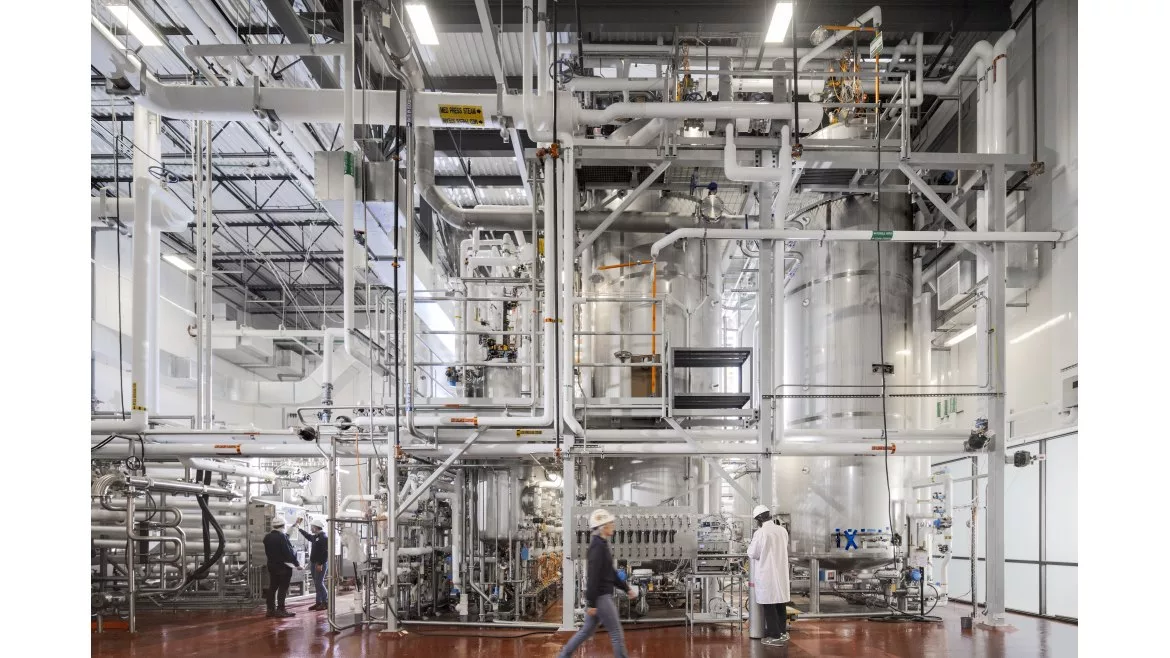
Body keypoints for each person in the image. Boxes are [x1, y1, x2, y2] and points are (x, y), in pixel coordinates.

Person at [558, 509, 639, 658]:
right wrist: (592, 603)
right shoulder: (597, 547)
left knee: (586, 631)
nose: (613, 525)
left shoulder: (602, 544)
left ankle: (563, 655)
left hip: (598, 597)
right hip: (601, 597)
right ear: (603, 526)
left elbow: (611, 573)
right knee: (616, 633)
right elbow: (593, 576)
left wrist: (626, 588)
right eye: (610, 523)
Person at [747, 504, 792, 646]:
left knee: (769, 604)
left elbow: (753, 553)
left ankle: (774, 636)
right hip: (781, 571)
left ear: (759, 518)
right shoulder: (782, 530)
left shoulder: (760, 533)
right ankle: (783, 633)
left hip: (767, 573)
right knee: (780, 602)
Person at [262, 516, 301, 618]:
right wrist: (297, 564)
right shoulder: (282, 537)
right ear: (283, 525)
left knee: (272, 587)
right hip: (283, 567)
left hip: (272, 566)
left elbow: (284, 538)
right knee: (283, 588)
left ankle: (270, 610)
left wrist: (294, 525)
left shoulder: (267, 537)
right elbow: (288, 553)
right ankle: (281, 610)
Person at [292, 517, 329, 611]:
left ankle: (326, 602)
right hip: (314, 563)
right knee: (317, 583)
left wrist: (320, 563)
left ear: (316, 527)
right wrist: (299, 528)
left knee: (319, 583)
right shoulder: (316, 537)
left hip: (320, 563)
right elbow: (308, 536)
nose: (311, 528)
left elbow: (325, 552)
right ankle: (318, 602)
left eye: (312, 527)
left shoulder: (323, 537)